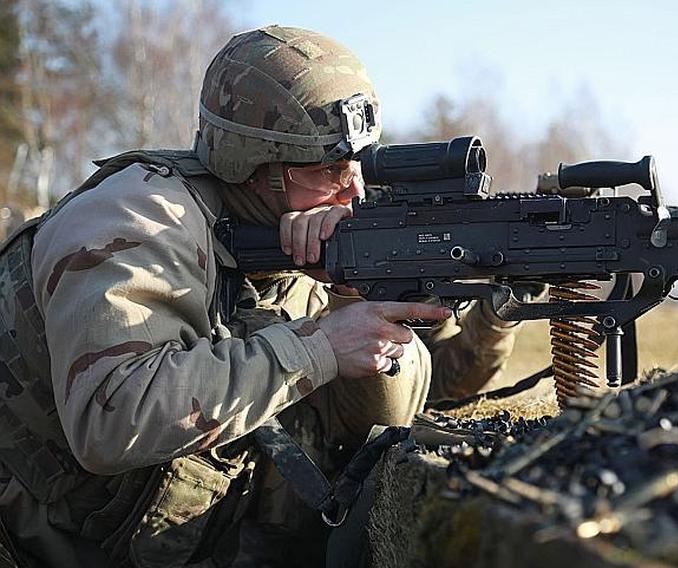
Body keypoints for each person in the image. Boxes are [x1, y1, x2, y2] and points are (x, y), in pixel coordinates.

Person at [0, 25, 525, 567]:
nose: (355, 191)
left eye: (359, 164)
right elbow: (111, 420)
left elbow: (426, 393)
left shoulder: (308, 229)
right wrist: (317, 347)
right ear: (251, 165)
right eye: (328, 170)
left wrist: (357, 296)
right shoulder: (137, 220)